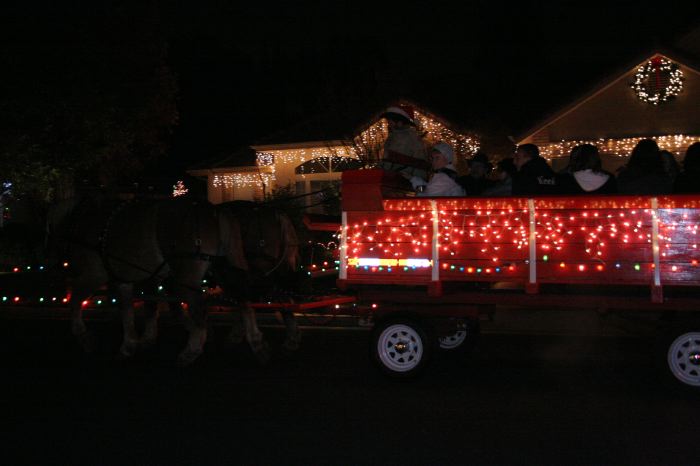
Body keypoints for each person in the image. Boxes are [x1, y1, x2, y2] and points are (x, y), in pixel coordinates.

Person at [381, 104, 428, 179]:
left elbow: (419, 165)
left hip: (404, 180)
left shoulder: (412, 139)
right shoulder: (392, 137)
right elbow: (386, 161)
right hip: (391, 179)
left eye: (390, 120)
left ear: (400, 122)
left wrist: (414, 180)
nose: (388, 123)